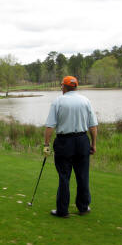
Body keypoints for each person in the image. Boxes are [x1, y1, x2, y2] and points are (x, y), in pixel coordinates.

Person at [43, 76, 98, 218]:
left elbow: (50, 126)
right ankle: (83, 207)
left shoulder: (58, 101)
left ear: (65, 87)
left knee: (64, 177)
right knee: (83, 176)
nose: (61, 87)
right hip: (82, 141)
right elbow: (93, 126)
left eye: (62, 85)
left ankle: (62, 210)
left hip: (64, 142)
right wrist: (93, 144)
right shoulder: (86, 101)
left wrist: (46, 145)